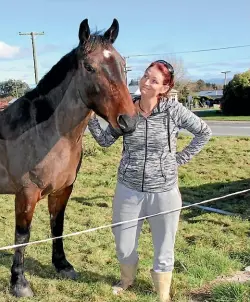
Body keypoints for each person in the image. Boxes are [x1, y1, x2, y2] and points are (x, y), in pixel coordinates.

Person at [87, 60, 212, 302]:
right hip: (128, 189)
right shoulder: (127, 110)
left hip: (164, 191)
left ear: (164, 88)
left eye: (153, 80)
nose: (145, 82)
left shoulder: (173, 111)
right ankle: (126, 280)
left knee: (164, 245)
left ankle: (162, 293)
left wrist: (179, 159)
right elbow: (104, 141)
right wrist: (92, 118)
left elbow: (203, 132)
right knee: (124, 245)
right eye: (145, 76)